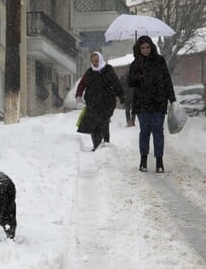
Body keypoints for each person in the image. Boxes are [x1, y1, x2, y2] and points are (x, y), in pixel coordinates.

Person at [127, 35, 176, 173]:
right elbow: (129, 82)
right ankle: (143, 160)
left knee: (158, 131)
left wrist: (172, 98)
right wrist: (139, 76)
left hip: (158, 102)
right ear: (138, 48)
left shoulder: (160, 61)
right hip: (142, 103)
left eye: (147, 47)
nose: (145, 50)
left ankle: (159, 161)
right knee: (145, 131)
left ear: (152, 47)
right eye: (142, 47)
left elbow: (167, 80)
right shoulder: (135, 64)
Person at [75, 51, 125, 151]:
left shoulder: (108, 70)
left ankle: (106, 142)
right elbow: (82, 84)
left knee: (104, 121)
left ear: (101, 59)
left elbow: (116, 82)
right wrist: (79, 95)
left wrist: (121, 95)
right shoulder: (89, 72)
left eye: (96, 61)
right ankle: (96, 145)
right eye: (93, 61)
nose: (95, 63)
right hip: (93, 102)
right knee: (94, 124)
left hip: (107, 102)